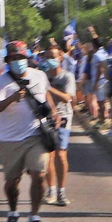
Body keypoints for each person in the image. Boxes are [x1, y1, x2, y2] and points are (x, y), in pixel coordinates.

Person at [0, 41, 56, 222]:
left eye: (21, 58)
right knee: (12, 181)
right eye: (14, 59)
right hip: (9, 138)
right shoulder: (2, 82)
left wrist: (53, 113)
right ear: (8, 61)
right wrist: (12, 98)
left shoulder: (40, 75)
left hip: (35, 134)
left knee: (39, 174)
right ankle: (12, 212)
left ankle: (34, 216)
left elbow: (46, 95)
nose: (18, 61)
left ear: (27, 59)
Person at [43, 51, 78, 206]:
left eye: (53, 56)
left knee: (61, 155)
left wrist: (49, 88)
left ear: (60, 58)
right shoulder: (42, 76)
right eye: (47, 57)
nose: (50, 60)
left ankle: (61, 192)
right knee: (48, 156)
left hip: (63, 117)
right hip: (46, 118)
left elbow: (67, 98)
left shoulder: (67, 77)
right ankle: (51, 190)